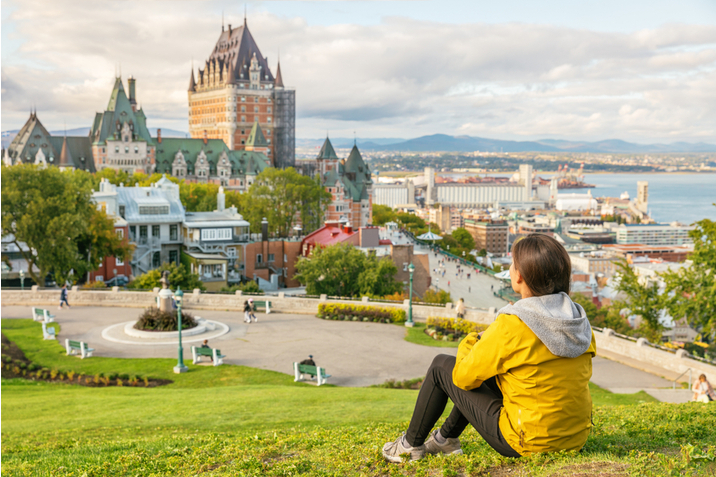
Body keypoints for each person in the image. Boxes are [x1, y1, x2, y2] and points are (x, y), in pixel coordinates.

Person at [382, 233, 595, 463]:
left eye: (513, 264)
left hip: (527, 441)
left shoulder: (514, 324)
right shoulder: (578, 321)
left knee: (441, 366)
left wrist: (474, 340)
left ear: (520, 276)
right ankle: (445, 440)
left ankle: (409, 445)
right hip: (575, 438)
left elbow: (462, 377)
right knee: (493, 374)